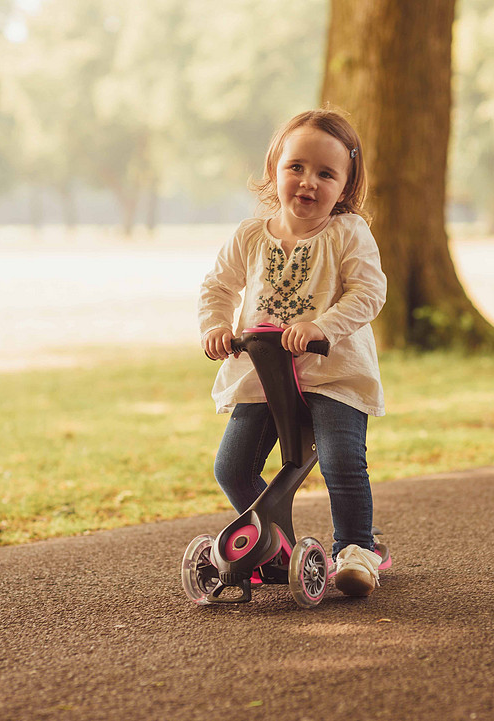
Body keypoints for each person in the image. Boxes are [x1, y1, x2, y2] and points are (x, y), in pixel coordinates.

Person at [198, 108, 391, 597]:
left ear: (345, 187)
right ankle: (275, 547)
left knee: (340, 457)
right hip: (262, 376)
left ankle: (355, 551)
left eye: (326, 174)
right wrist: (218, 327)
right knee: (232, 467)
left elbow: (368, 293)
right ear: (274, 169)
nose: (308, 183)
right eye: (297, 167)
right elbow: (217, 287)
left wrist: (320, 327)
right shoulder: (250, 236)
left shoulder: (348, 234)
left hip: (332, 373)